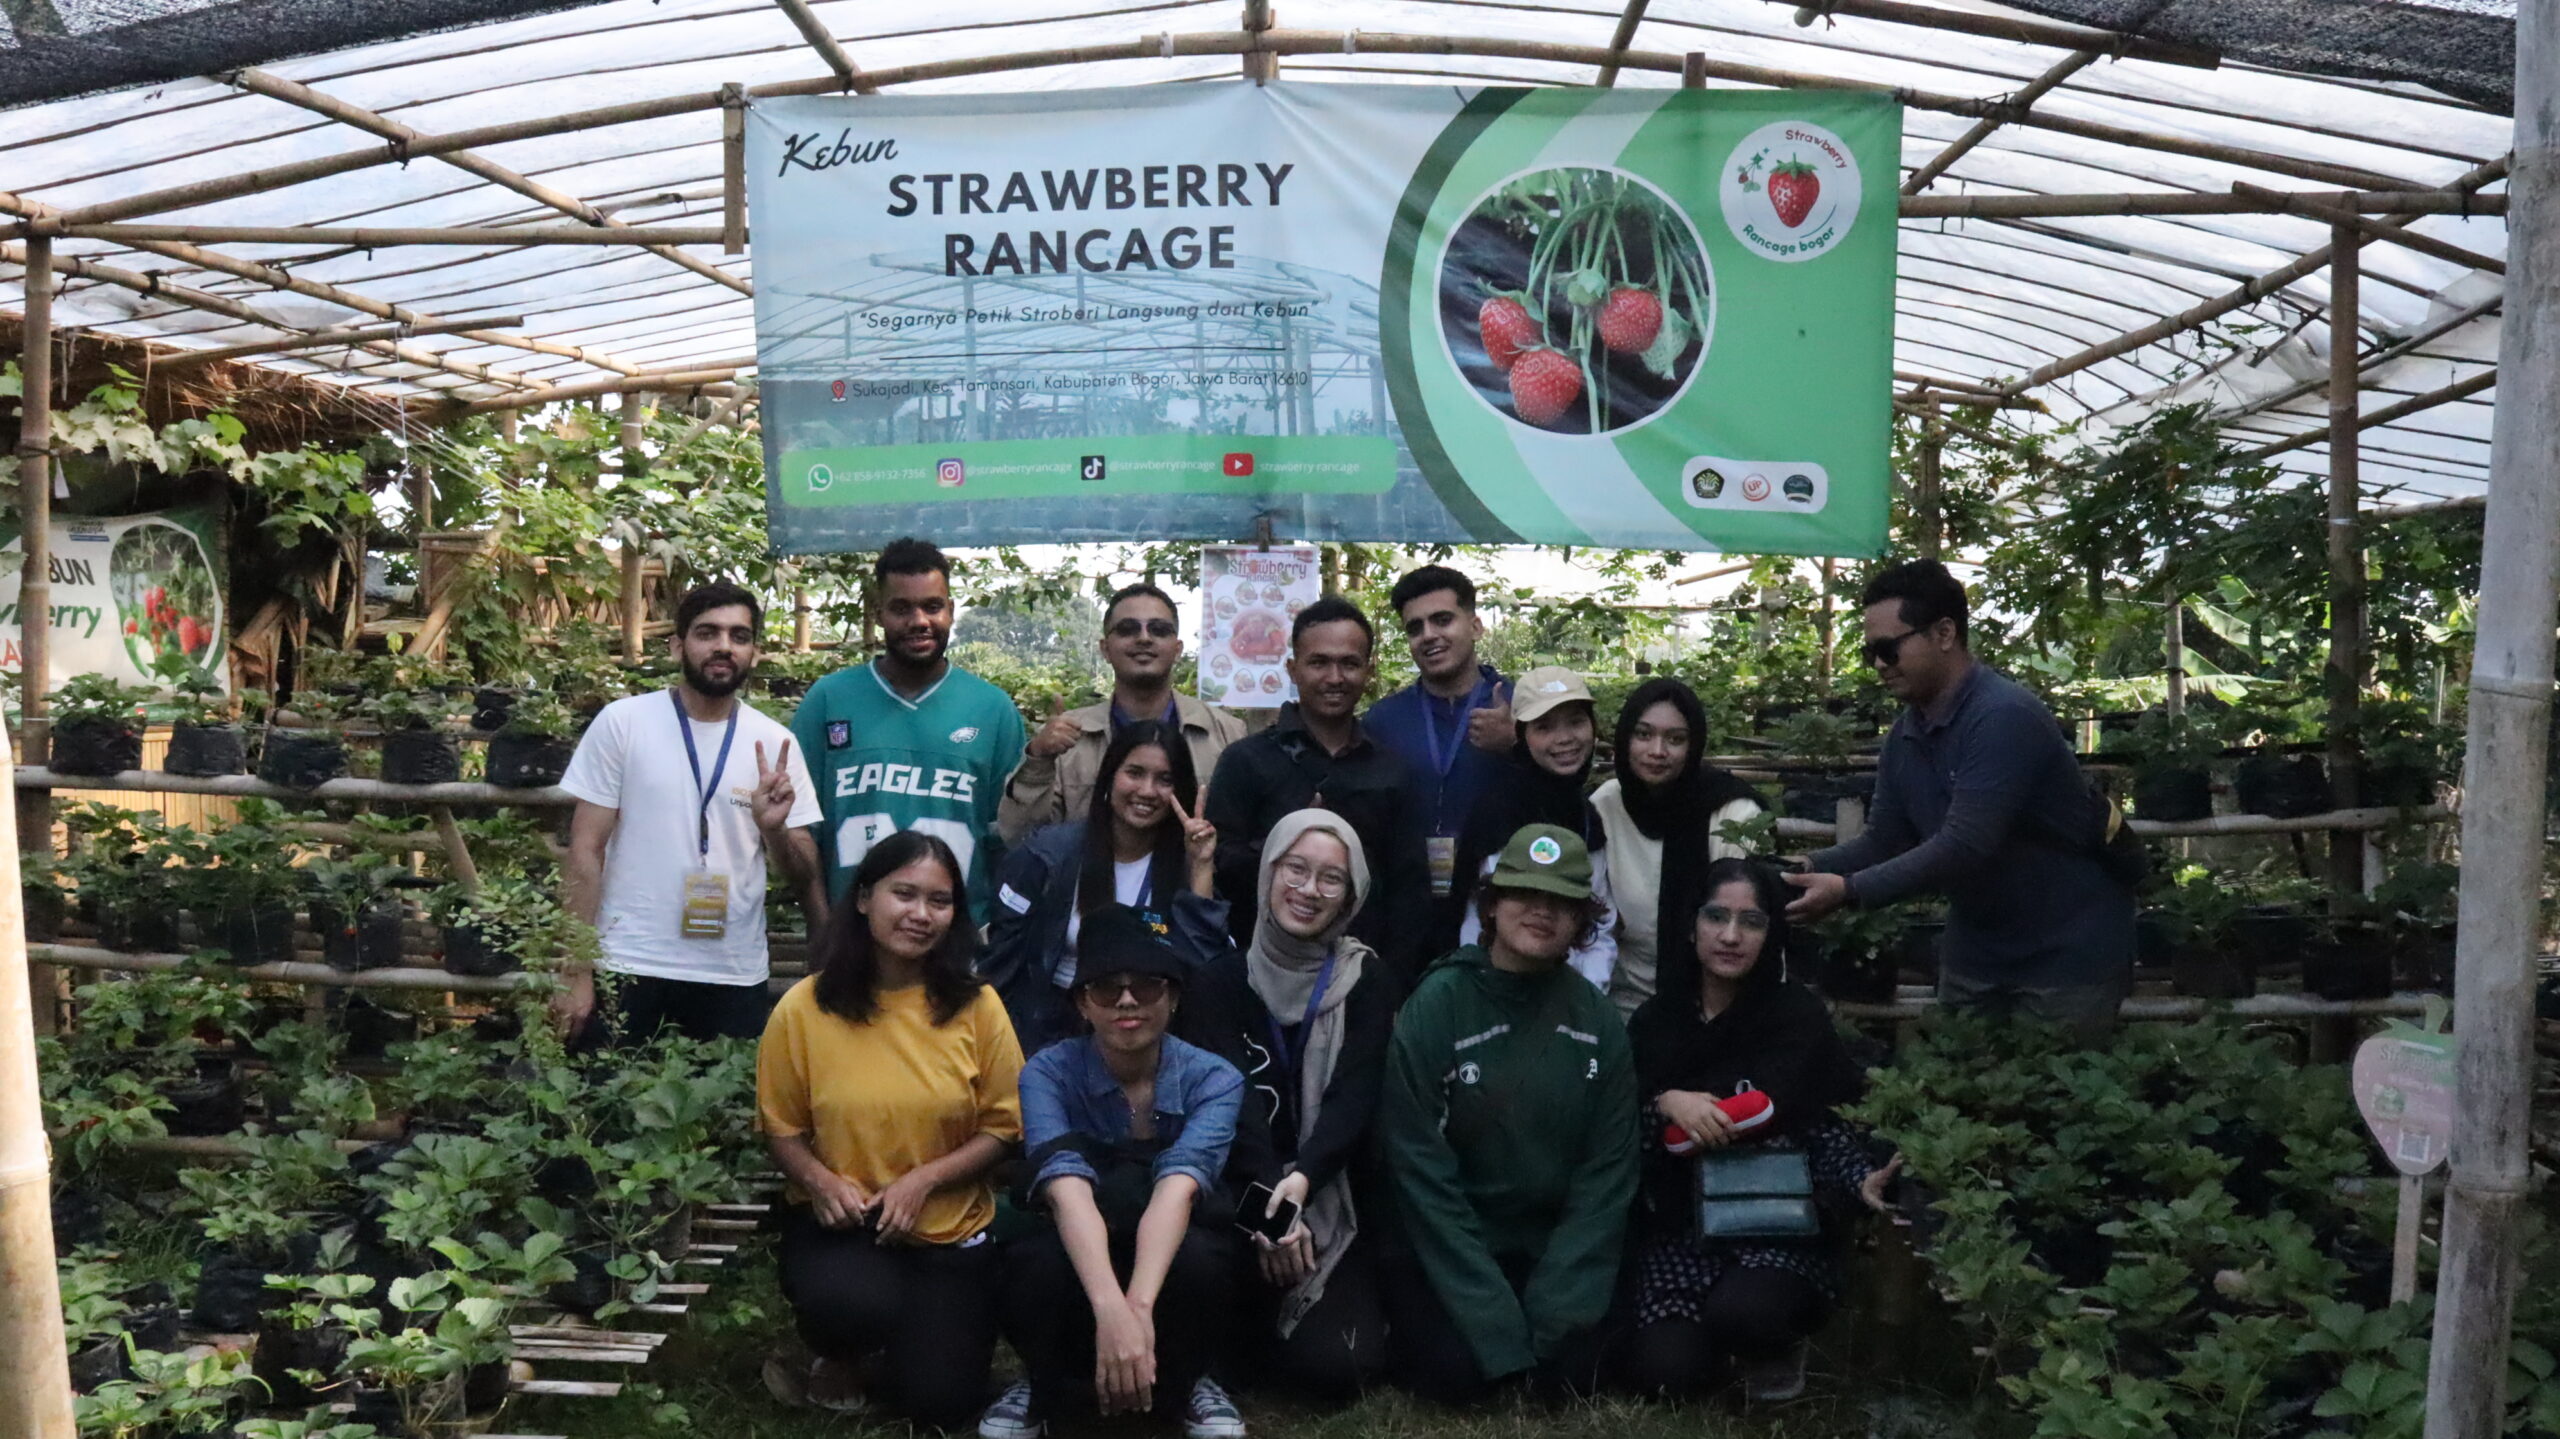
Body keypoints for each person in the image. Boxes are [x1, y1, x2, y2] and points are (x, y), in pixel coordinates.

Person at [1787, 560, 2136, 1037]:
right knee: (1961, 1093)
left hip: (2066, 957)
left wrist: (1849, 891)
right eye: (1871, 653)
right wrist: (1804, 868)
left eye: (1889, 649)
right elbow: (1885, 839)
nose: (1880, 665)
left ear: (1945, 633)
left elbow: (1966, 843)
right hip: (1978, 954)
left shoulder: (2002, 717)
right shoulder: (1905, 736)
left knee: (2054, 1099)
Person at [756, 831, 1025, 1425]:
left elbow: (1006, 1129)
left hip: (947, 1228)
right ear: (863, 899)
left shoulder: (977, 1006)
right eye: (904, 894)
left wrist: (925, 1181)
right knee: (847, 1303)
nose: (920, 915)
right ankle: (840, 1348)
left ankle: (903, 1354)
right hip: (845, 1222)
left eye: (939, 900)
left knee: (941, 1407)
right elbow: (780, 1128)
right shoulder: (804, 1008)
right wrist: (821, 1182)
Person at [1376, 824, 1639, 1405]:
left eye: (1561, 902)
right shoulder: (1437, 1005)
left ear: (1581, 920)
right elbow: (1421, 1176)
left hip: (1550, 1249)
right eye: (1524, 894)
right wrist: (1493, 1321)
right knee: (1459, 1376)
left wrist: (1556, 1310)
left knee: (1574, 1372)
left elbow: (1607, 1175)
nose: (1541, 912)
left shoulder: (1596, 1021)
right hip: (1456, 1246)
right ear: (1492, 905)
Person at [1620, 859, 1896, 1404]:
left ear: (1773, 933)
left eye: (1751, 921)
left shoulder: (1796, 1018)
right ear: (1690, 924)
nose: (1730, 936)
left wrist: (1863, 1180)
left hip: (1776, 1229)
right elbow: (1626, 1130)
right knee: (1665, 1374)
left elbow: (1828, 1123)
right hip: (1681, 1234)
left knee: (1749, 1313)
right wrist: (1666, 1103)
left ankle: (1770, 1343)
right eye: (1715, 916)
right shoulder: (1655, 1021)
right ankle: (1709, 1351)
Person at [984, 905, 1248, 1439]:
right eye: (1106, 988)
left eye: (1147, 986)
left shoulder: (1215, 1079)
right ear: (1083, 1003)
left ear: (1173, 999)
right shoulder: (1045, 1074)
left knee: (1206, 1258)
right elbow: (1065, 1190)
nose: (1127, 1001)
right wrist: (1111, 1309)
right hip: (1080, 1236)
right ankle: (1043, 1381)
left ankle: (1188, 1380)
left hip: (1166, 1242)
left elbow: (1178, 1190)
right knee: (1032, 1260)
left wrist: (1138, 1309)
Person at [1174, 811, 1394, 1405]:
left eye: (1330, 878)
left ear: (1351, 896)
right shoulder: (1218, 982)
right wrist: (1273, 1210)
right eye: (1295, 869)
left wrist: (1301, 1182)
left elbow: (1355, 1097)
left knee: (1338, 1369)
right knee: (1228, 1354)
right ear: (1268, 872)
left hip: (1326, 1191)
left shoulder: (1364, 978)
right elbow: (1229, 1113)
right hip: (1238, 1193)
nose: (1308, 890)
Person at [557, 580, 824, 1045]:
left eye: (739, 636)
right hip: (626, 963)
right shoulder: (625, 724)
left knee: (721, 1115)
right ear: (678, 645)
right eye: (708, 633)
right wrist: (575, 970)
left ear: (754, 653)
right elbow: (584, 850)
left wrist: (774, 830)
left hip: (731, 973)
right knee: (607, 1112)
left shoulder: (775, 745)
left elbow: (803, 873)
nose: (724, 646)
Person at [793, 538, 1029, 925]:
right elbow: (803, 834)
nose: (919, 621)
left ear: (951, 611)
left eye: (932, 606)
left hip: (955, 947)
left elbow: (1007, 844)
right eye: (901, 608)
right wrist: (823, 930)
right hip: (852, 944)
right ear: (879, 612)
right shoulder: (828, 701)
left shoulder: (993, 710)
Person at [1203, 597, 1432, 987]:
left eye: (1349, 663)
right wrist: (1287, 848)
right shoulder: (1247, 761)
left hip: (1360, 978)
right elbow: (1216, 867)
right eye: (1319, 662)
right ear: (1293, 669)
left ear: (1369, 671)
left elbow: (1409, 891)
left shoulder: (1391, 771)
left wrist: (1389, 982)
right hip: (1259, 976)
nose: (1335, 677)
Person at [979, 719, 1226, 1055]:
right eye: (1135, 773)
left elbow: (1204, 975)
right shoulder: (1047, 856)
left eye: (1164, 780)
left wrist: (1200, 866)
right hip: (1047, 1034)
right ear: (1110, 776)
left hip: (1149, 1042)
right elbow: (1001, 968)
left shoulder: (1188, 863)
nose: (1147, 791)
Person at [998, 582, 1246, 847]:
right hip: (1090, 885)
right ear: (1105, 649)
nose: (1144, 638)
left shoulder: (1226, 733)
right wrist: (1039, 758)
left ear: (1177, 648)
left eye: (1159, 629)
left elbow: (1241, 839)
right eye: (1128, 629)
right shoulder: (1067, 738)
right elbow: (1018, 838)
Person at [1586, 678, 1767, 1019]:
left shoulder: (1733, 814)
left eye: (1675, 739)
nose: (1657, 751)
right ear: (1624, 740)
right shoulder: (1605, 805)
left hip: (1718, 1009)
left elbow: (1751, 926)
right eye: (1643, 735)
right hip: (1622, 1006)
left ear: (1694, 745)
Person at [1362, 565, 1512, 939]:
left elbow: (1563, 790)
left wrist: (1518, 744)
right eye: (1415, 627)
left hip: (1498, 911)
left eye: (1442, 620)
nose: (1428, 636)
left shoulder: (1519, 708)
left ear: (1475, 626)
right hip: (1404, 916)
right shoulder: (1383, 721)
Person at [1448, 666, 1614, 981]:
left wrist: (1585, 999)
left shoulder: (1587, 816)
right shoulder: (1499, 812)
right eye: (1545, 726)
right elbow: (1477, 922)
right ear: (1522, 736)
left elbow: (1598, 922)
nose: (1564, 739)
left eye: (1576, 722)